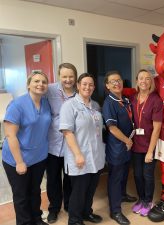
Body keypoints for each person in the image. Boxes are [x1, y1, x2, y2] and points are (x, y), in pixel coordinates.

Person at [2, 72, 51, 225]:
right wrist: (19, 162)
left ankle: (36, 218)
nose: (40, 84)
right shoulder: (17, 105)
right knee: (21, 195)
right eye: (36, 81)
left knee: (35, 191)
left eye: (44, 81)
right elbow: (10, 135)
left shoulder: (45, 103)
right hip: (17, 158)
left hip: (38, 157)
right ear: (28, 84)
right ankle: (24, 222)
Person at [59, 73, 105, 225]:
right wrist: (78, 154)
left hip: (96, 156)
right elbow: (67, 132)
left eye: (91, 85)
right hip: (79, 157)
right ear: (78, 86)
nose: (88, 87)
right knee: (78, 191)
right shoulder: (69, 106)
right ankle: (74, 220)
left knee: (90, 189)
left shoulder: (95, 106)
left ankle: (87, 213)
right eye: (84, 84)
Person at [102, 71, 136, 225]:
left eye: (119, 80)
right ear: (107, 86)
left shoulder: (126, 100)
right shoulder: (109, 102)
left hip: (127, 145)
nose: (117, 83)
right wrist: (127, 141)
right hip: (117, 146)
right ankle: (115, 211)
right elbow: (112, 128)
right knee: (115, 178)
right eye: (112, 81)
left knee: (124, 174)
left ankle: (122, 195)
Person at [46, 63, 77, 223]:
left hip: (70, 146)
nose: (68, 80)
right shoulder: (49, 89)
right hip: (52, 144)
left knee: (69, 179)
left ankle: (70, 206)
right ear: (59, 76)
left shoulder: (79, 93)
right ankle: (54, 208)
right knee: (52, 179)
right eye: (64, 76)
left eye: (71, 76)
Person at [130, 69, 163, 216]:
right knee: (137, 175)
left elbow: (157, 128)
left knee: (147, 175)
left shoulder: (156, 100)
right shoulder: (132, 98)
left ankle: (148, 201)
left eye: (147, 78)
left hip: (149, 144)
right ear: (137, 81)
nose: (144, 81)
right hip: (135, 144)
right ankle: (141, 199)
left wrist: (150, 151)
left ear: (151, 82)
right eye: (141, 78)